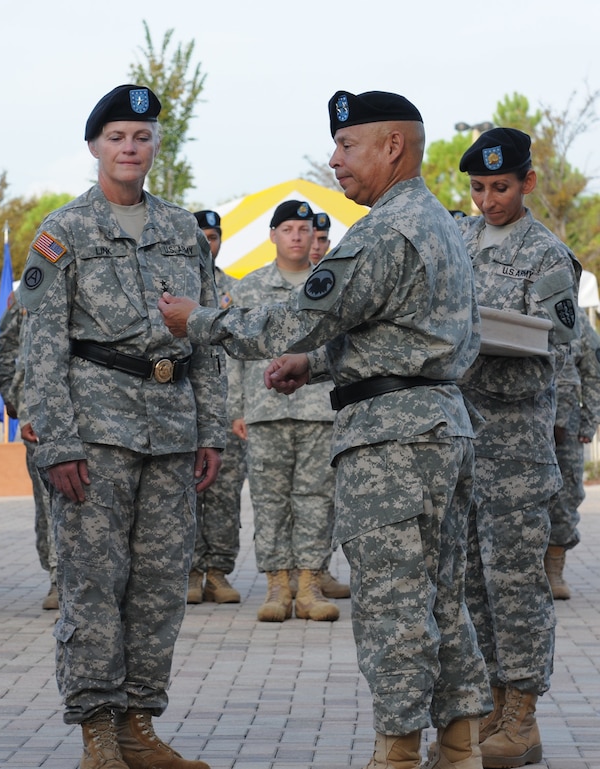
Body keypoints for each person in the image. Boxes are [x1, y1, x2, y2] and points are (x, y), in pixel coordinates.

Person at [159, 90, 491, 769]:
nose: (334, 161)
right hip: (439, 424)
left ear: (392, 146)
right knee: (441, 594)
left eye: (347, 146)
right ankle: (460, 745)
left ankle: (397, 750)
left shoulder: (381, 232)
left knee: (393, 599)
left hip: (391, 442)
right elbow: (405, 335)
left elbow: (285, 320)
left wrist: (195, 320)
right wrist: (313, 367)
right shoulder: (439, 226)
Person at [18, 83, 227, 769]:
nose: (130, 148)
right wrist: (57, 442)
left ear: (156, 146)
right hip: (95, 432)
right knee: (93, 583)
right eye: (117, 137)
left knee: (161, 584)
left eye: (141, 136)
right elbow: (40, 346)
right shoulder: (63, 232)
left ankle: (139, 721)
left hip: (171, 428)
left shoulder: (181, 231)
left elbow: (205, 335)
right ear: (94, 147)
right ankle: (98, 730)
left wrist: (210, 428)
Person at [456, 127, 580, 768]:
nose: (487, 200)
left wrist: (479, 334)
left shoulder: (547, 255)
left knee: (514, 585)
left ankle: (523, 718)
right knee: (472, 586)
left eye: (500, 187)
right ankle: (490, 706)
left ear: (527, 183)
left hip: (515, 446)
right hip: (462, 438)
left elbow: (553, 342)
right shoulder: (461, 240)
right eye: (478, 187)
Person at [229, 200, 340, 623]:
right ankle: (277, 585)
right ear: (272, 235)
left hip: (320, 410)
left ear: (315, 237)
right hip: (264, 410)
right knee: (269, 500)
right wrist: (235, 408)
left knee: (316, 499)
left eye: (304, 229)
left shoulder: (331, 284)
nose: (296, 236)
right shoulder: (249, 288)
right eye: (288, 229)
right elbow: (234, 352)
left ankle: (309, 584)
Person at [187, 209, 244, 606]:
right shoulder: (173, 286)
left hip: (226, 408)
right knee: (184, 494)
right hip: (182, 410)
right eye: (201, 236)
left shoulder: (235, 291)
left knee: (224, 495)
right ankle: (189, 570)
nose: (209, 243)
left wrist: (237, 408)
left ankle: (218, 572)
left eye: (214, 235)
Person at [0, 291, 59, 609]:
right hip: (38, 414)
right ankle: (59, 579)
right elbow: (5, 348)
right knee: (48, 503)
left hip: (94, 412)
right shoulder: (28, 293)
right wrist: (14, 397)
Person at [548, 320, 600, 599]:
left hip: (568, 427)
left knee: (566, 497)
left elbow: (594, 374)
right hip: (524, 421)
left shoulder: (577, 320)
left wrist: (589, 422)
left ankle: (554, 570)